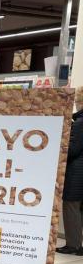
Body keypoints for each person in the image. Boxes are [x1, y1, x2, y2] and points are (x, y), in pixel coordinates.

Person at [57, 109, 83, 255]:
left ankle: (73, 245)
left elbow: (73, 150)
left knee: (71, 208)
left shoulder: (80, 123)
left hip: (77, 174)